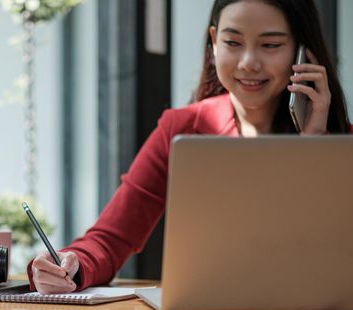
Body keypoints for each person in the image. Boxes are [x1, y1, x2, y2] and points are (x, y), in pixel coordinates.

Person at [28, 0, 352, 294]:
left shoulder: (338, 141)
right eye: (232, 42)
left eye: (270, 45)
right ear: (213, 42)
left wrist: (314, 147)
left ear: (301, 51)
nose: (248, 62)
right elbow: (110, 239)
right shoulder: (182, 129)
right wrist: (71, 264)